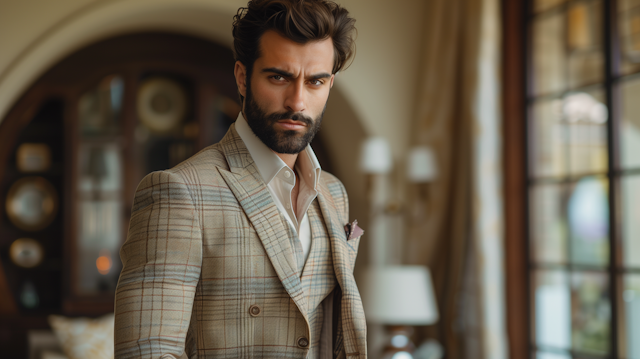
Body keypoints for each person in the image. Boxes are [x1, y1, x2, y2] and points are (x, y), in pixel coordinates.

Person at [113, 0, 366, 358]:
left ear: (329, 84)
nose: (297, 101)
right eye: (279, 76)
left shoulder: (333, 193)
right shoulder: (179, 192)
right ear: (243, 77)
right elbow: (147, 351)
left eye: (315, 81)